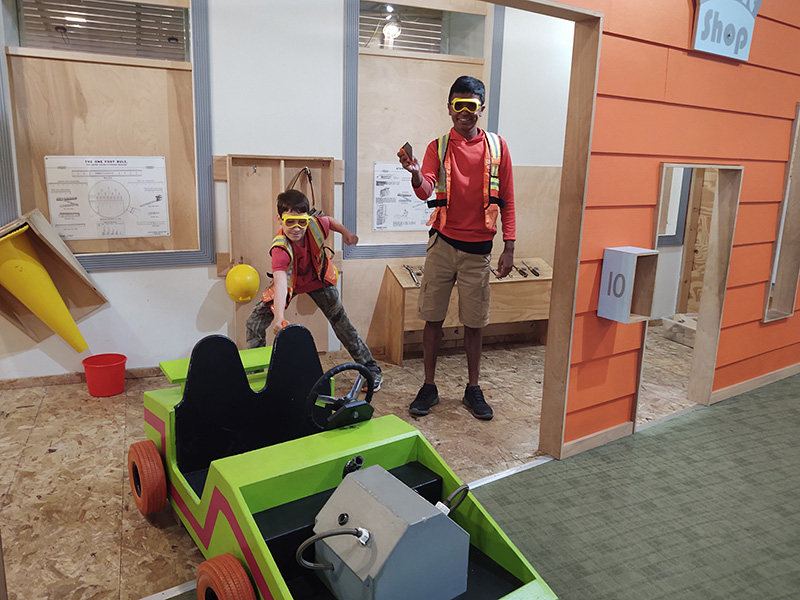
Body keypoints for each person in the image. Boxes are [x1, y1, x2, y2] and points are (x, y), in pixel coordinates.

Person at [397, 75, 515, 420]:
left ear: (481, 108)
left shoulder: (498, 147)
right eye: (459, 105)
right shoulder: (439, 146)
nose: (465, 112)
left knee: (474, 322)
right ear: (450, 109)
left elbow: (507, 200)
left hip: (479, 251)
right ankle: (429, 386)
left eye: (472, 105)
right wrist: (416, 173)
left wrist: (509, 245)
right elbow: (425, 190)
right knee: (432, 318)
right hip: (443, 244)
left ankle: (472, 388)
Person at [245, 189, 383, 391]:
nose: (297, 228)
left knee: (341, 322)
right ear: (279, 219)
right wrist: (279, 316)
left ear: (308, 218)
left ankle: (370, 369)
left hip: (318, 279)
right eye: (290, 221)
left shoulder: (316, 225)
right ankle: (257, 378)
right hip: (291, 283)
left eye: (302, 221)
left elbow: (330, 221)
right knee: (254, 323)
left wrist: (346, 233)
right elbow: (281, 282)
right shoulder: (280, 250)